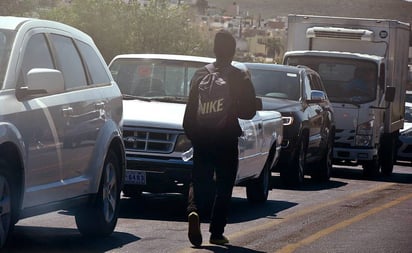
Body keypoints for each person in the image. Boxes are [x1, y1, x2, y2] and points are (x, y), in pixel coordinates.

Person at [183, 29, 257, 247]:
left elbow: (189, 113)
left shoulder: (199, 74)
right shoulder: (239, 76)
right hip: (226, 139)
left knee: (198, 179)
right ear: (233, 51)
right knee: (224, 184)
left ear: (214, 50)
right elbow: (249, 111)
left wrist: (194, 136)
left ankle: (193, 211)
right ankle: (216, 232)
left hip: (202, 138)